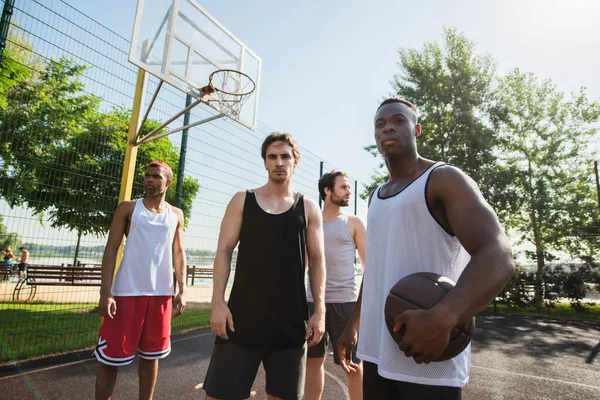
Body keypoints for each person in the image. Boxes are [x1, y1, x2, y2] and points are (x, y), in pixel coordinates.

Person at [337, 99, 514, 400]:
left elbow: (499, 255)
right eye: (380, 124)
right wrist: (353, 324)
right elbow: (377, 267)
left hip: (427, 350)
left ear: (416, 129)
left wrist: (445, 315)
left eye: (398, 120)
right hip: (378, 347)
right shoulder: (375, 197)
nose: (388, 127)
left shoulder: (443, 179)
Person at [204, 132, 326, 400]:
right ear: (265, 162)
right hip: (240, 320)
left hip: (290, 324)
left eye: (285, 156)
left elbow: (317, 260)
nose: (279, 162)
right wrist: (218, 303)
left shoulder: (308, 208)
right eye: (273, 157)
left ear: (295, 161)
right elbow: (223, 251)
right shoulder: (242, 200)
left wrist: (320, 311)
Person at [94, 161, 186, 400]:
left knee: (151, 356)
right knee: (110, 359)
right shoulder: (128, 208)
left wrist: (182, 289)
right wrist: (106, 293)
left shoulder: (176, 214)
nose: (149, 180)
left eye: (155, 176)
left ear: (168, 182)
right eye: (146, 176)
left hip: (161, 295)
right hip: (126, 294)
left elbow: (179, 253)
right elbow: (111, 249)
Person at [305, 170, 366, 400]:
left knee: (351, 364)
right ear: (327, 191)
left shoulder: (353, 222)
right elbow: (303, 264)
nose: (349, 191)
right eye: (344, 187)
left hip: (346, 303)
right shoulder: (311, 222)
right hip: (313, 303)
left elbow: (368, 266)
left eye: (349, 187)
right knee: (313, 362)